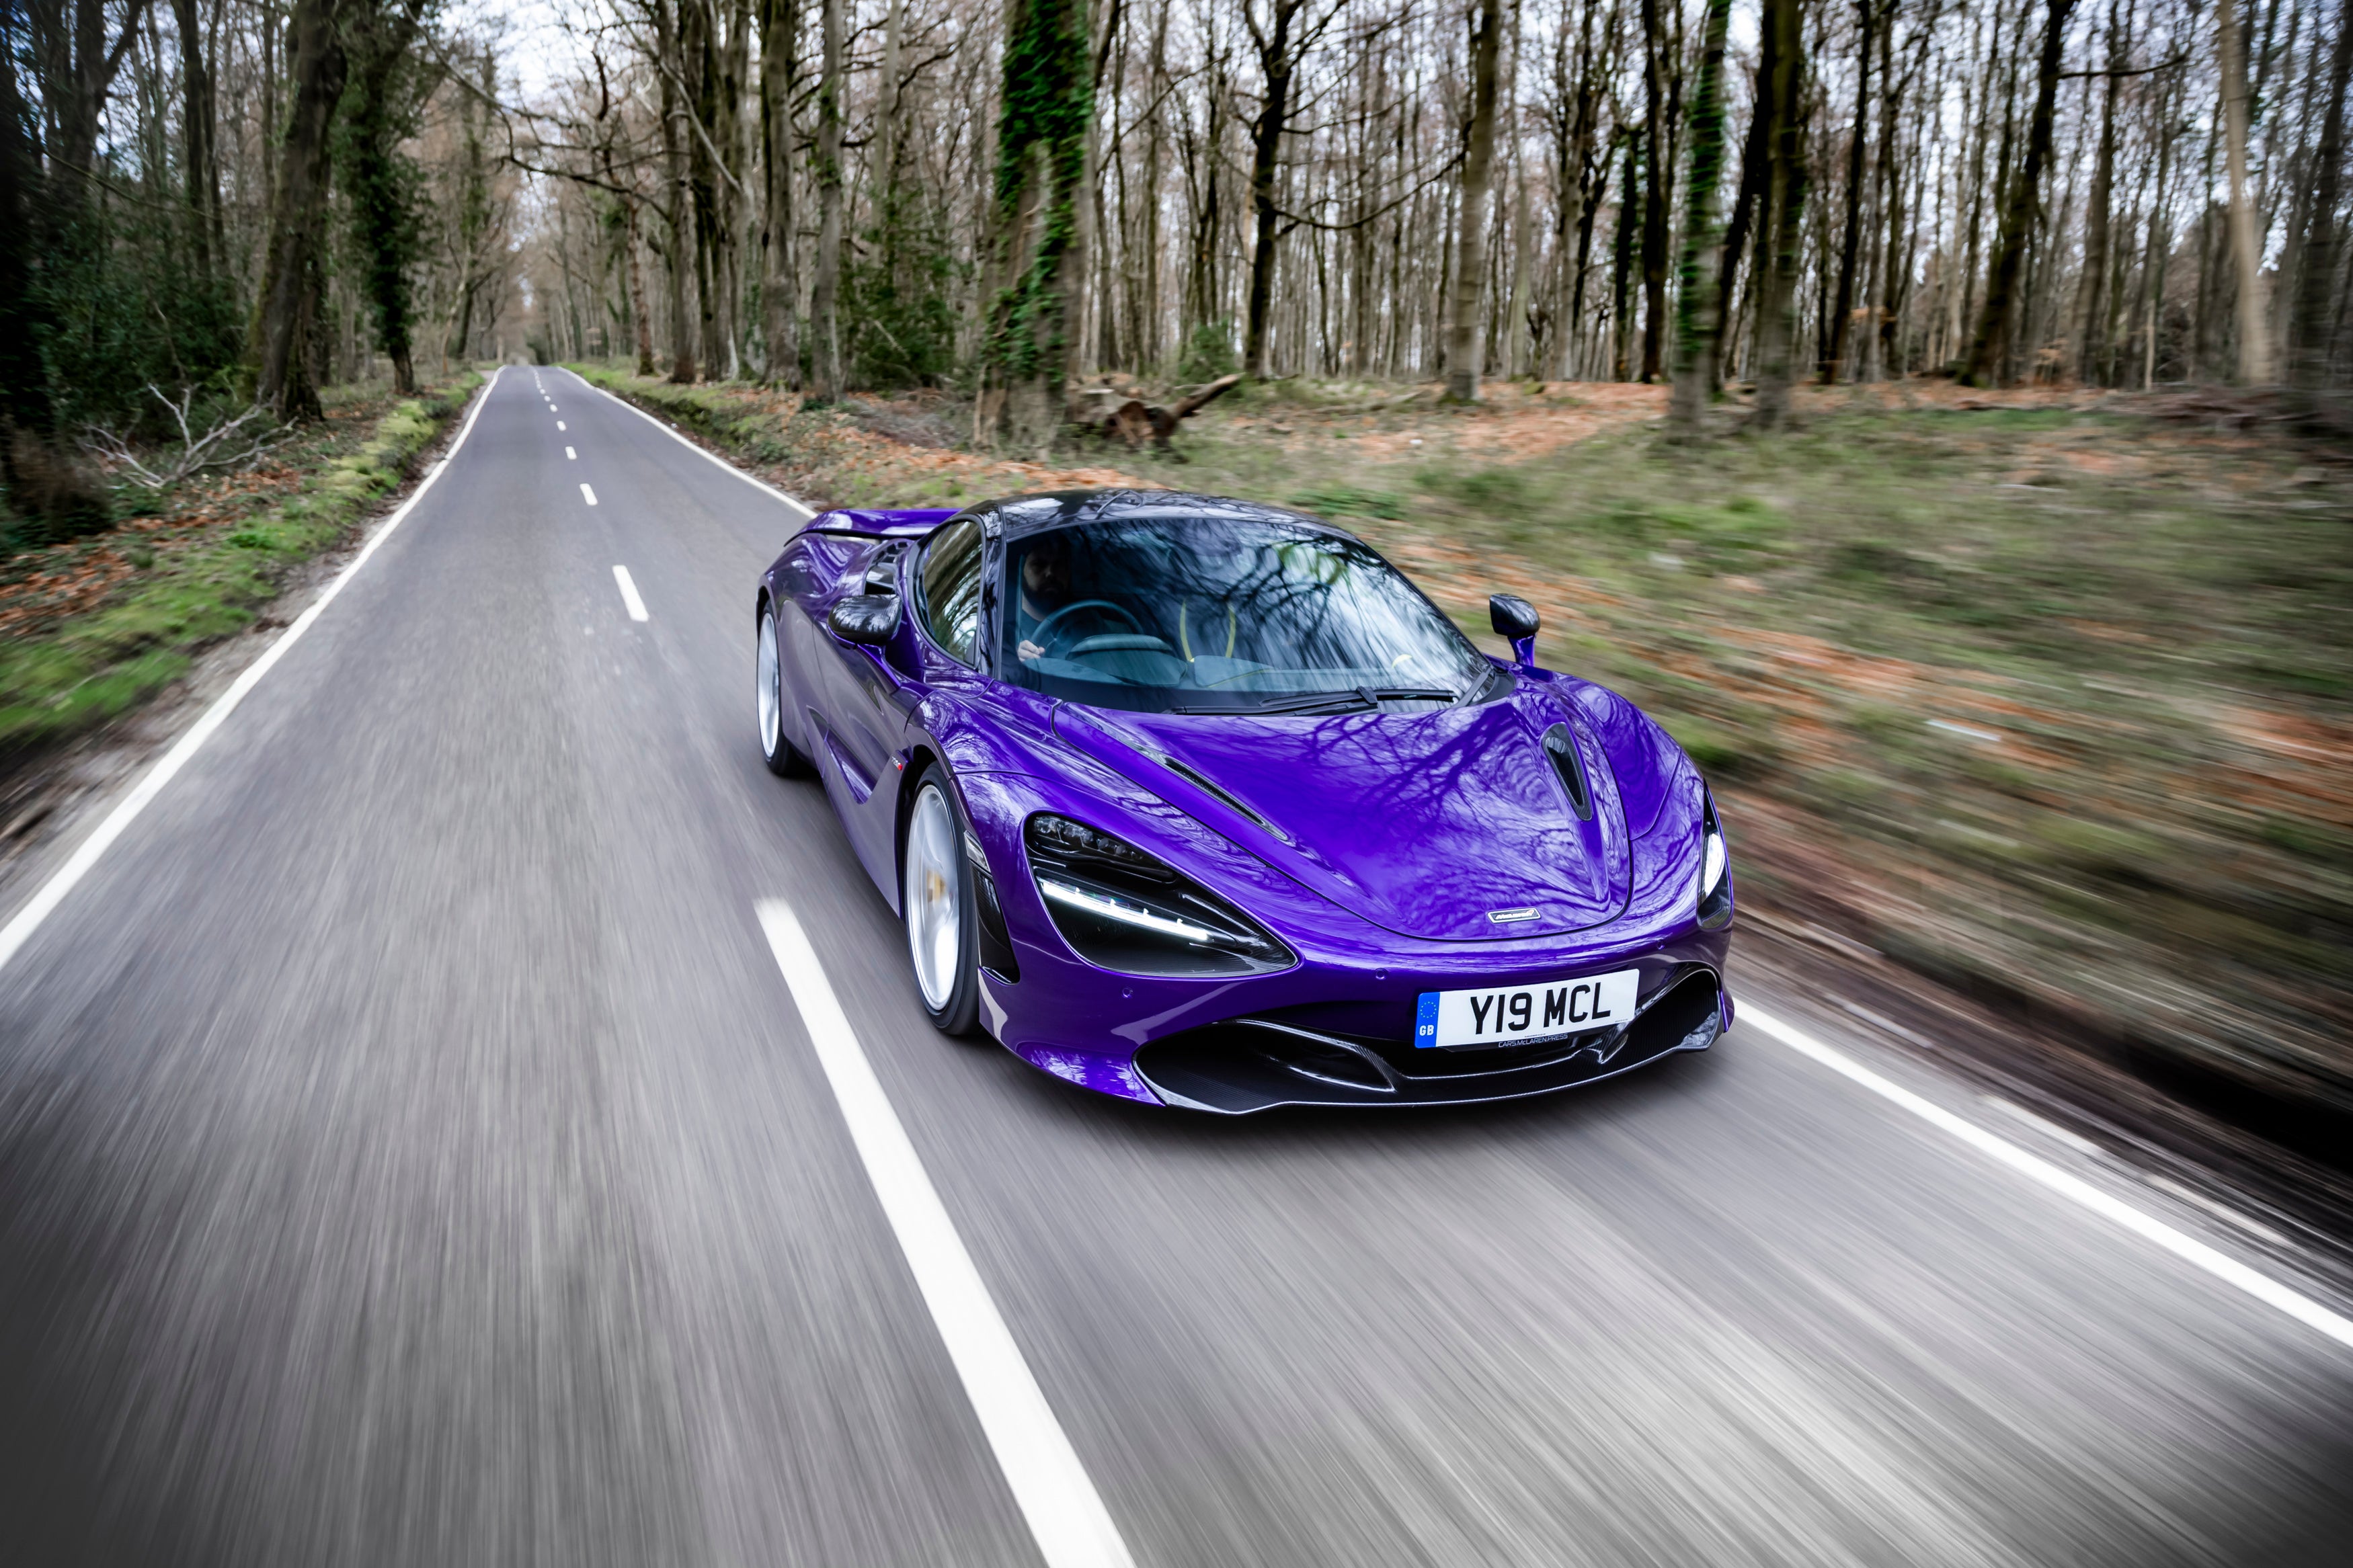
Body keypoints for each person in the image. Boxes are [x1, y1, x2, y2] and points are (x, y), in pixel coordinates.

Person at [1014, 532, 1075, 663]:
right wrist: (1012, 661)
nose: (1050, 573)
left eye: (1059, 565)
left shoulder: (1089, 621)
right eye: (1038, 565)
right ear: (1021, 570)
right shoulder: (999, 628)